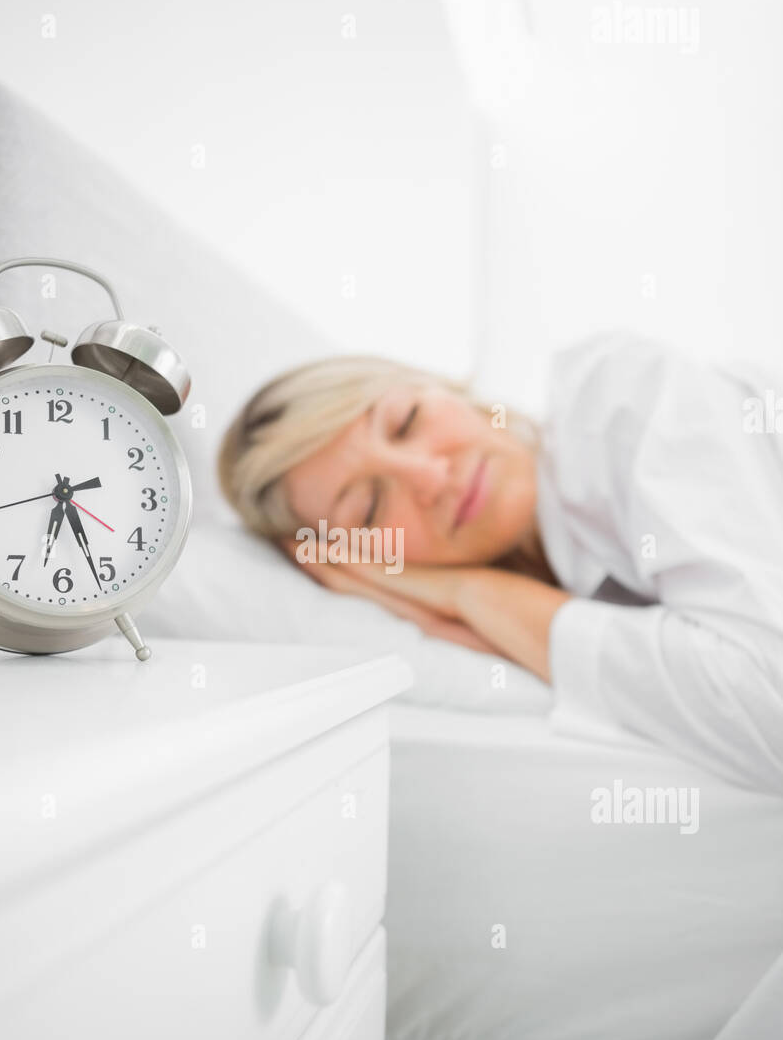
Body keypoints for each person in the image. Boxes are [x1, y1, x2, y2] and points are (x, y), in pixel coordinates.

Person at [218, 331, 783, 794]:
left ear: (450, 390)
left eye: (407, 420)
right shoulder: (546, 589)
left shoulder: (623, 400)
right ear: (358, 564)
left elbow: (769, 704)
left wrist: (473, 593)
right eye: (368, 508)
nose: (431, 477)